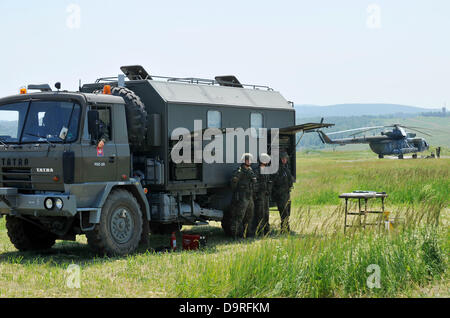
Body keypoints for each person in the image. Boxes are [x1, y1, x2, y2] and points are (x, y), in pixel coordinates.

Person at [229, 153, 257, 238]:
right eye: (248, 160)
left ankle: (247, 233)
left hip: (249, 196)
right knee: (239, 216)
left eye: (250, 160)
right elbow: (233, 184)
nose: (250, 162)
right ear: (244, 161)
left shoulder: (250, 170)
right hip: (242, 197)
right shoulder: (240, 171)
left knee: (249, 216)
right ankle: (236, 235)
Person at [272, 151, 295, 233]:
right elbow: (273, 183)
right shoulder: (277, 169)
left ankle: (285, 228)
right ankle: (284, 229)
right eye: (283, 159)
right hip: (280, 195)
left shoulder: (286, 168)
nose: (284, 160)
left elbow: (290, 180)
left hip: (286, 194)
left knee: (288, 212)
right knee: (283, 213)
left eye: (285, 158)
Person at [251, 153, 273, 236]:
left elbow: (268, 181)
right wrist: (256, 193)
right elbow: (255, 184)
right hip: (259, 195)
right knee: (259, 213)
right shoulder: (256, 171)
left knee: (266, 213)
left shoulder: (266, 170)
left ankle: (266, 230)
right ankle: (260, 231)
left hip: (265, 195)